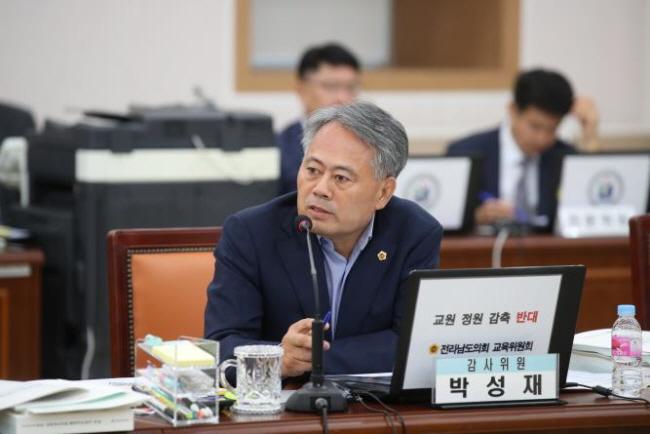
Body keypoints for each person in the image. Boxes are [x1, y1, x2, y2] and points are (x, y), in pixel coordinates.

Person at [206, 101, 442, 378]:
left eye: (341, 178)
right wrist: (280, 360)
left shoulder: (414, 233)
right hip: (283, 399)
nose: (319, 189)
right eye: (312, 170)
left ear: (383, 192)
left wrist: (313, 360)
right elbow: (222, 345)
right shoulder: (250, 233)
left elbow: (412, 344)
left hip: (373, 402)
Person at [447, 68, 599, 230]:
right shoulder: (465, 152)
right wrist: (475, 217)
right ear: (513, 110)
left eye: (552, 129)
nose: (542, 138)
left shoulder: (564, 156)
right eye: (535, 126)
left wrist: (590, 135)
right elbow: (447, 218)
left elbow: (588, 211)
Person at [277, 43, 361, 195]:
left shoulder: (367, 148)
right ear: (302, 89)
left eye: (350, 88)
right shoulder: (278, 149)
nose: (342, 98)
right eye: (331, 86)